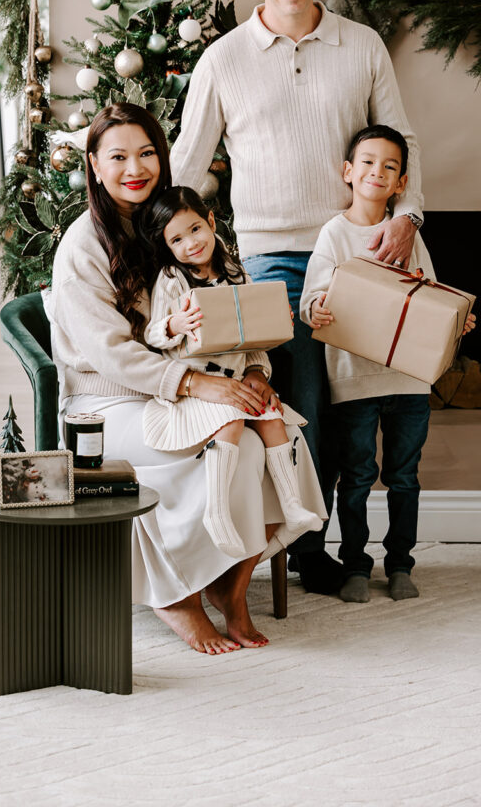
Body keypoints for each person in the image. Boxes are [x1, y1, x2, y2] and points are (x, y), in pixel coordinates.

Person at [170, 0, 425, 595]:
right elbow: (187, 168)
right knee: (304, 398)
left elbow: (401, 139)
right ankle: (307, 547)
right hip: (268, 260)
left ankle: (341, 546)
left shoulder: (361, 44)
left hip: (355, 251)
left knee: (354, 408)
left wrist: (407, 217)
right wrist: (158, 251)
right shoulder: (223, 58)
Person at [46, 102, 323, 655]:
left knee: (272, 434)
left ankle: (230, 588)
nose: (136, 167)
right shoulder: (83, 245)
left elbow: (229, 316)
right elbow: (112, 356)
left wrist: (249, 372)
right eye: (118, 156)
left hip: (182, 389)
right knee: (220, 442)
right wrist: (199, 386)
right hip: (107, 407)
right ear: (94, 165)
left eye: (147, 153)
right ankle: (175, 595)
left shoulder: (172, 226)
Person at [300, 125, 476, 603]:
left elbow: (431, 294)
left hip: (410, 379)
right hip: (354, 381)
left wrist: (456, 319)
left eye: (391, 167)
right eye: (369, 162)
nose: (378, 172)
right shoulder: (335, 233)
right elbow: (312, 296)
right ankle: (355, 565)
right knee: (356, 477)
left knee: (403, 476)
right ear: (348, 172)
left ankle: (400, 564)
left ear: (401, 183)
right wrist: (314, 308)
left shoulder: (407, 234)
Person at [140, 185, 324, 557]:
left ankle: (291, 505)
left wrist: (268, 339)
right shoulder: (172, 279)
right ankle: (217, 511)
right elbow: (151, 333)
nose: (191, 243)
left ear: (210, 222)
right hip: (196, 389)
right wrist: (174, 323)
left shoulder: (237, 274)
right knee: (231, 421)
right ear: (167, 246)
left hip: (236, 382)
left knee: (272, 415)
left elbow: (254, 343)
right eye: (177, 239)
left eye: (195, 230)